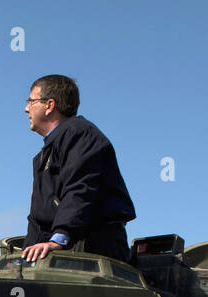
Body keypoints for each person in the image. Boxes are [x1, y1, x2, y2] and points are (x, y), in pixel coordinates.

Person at [22, 74, 135, 263]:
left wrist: (60, 237)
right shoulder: (44, 155)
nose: (26, 108)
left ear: (49, 105)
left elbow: (80, 188)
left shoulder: (80, 134)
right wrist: (24, 258)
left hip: (93, 245)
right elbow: (38, 216)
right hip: (66, 242)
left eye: (31, 101)